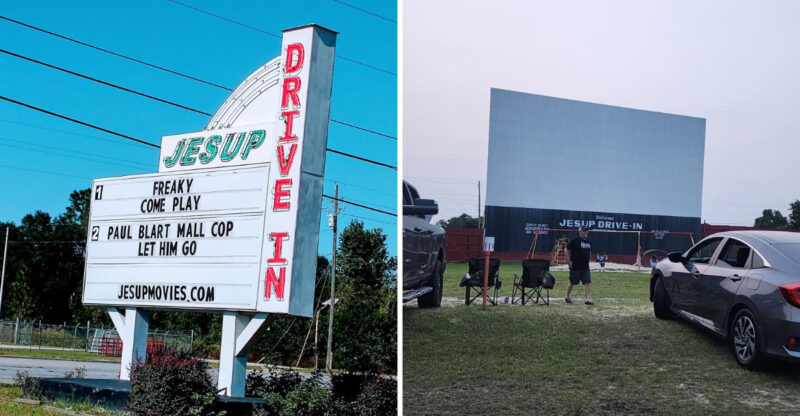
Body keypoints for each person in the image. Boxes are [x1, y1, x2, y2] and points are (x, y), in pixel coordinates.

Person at [566, 226, 593, 305]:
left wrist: (589, 258)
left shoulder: (587, 241)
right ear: (580, 232)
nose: (586, 232)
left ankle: (587, 299)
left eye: (587, 231)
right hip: (576, 266)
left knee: (587, 282)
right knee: (572, 282)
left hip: (585, 266)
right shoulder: (575, 240)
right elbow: (567, 249)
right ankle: (567, 296)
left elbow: (589, 251)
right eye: (584, 231)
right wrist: (568, 261)